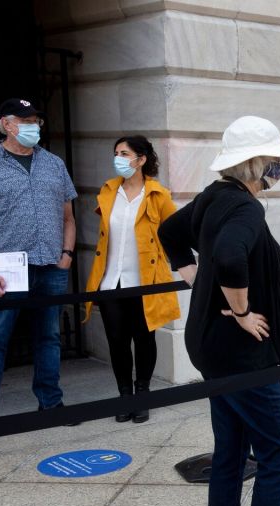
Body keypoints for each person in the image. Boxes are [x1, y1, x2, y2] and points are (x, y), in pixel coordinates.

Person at [158, 116, 280, 506]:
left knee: (231, 448)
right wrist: (241, 311)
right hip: (241, 353)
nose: (277, 170)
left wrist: (192, 275)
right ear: (254, 164)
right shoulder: (245, 209)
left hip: (211, 348)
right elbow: (231, 256)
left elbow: (170, 232)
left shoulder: (211, 197)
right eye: (273, 162)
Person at [0, 98, 78, 444]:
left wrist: (66, 254)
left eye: (36, 120)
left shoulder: (53, 164)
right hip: (5, 270)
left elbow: (68, 217)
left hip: (51, 265)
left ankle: (51, 403)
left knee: (49, 337)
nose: (33, 125)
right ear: (5, 123)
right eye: (25, 119)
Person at [84, 136, 180, 423]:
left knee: (144, 337)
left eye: (124, 153)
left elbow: (173, 232)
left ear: (141, 159)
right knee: (117, 340)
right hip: (110, 279)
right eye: (116, 153)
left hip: (144, 280)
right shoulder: (109, 191)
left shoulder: (158, 195)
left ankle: (143, 394)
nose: (118, 158)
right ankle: (124, 396)